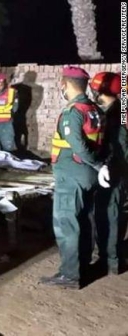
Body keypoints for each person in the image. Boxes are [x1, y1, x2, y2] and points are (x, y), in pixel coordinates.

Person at [40, 66, 108, 289]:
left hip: (72, 176)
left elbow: (77, 145)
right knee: (84, 221)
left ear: (65, 84)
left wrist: (98, 164)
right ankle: (83, 264)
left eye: (61, 82)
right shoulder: (94, 109)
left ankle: (70, 274)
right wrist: (99, 166)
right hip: (87, 175)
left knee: (67, 224)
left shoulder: (73, 112)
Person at [90, 72, 126, 274]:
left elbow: (118, 146)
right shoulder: (115, 110)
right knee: (112, 213)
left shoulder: (116, 114)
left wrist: (106, 165)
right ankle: (111, 256)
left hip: (115, 170)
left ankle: (111, 261)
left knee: (110, 214)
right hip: (118, 169)